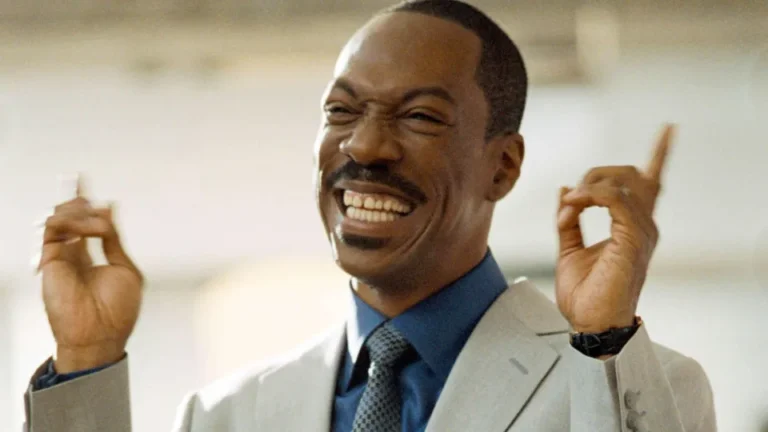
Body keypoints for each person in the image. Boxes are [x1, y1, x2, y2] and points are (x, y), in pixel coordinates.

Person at [24, 1, 716, 431]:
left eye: (419, 116)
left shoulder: (634, 382)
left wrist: (602, 340)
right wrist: (86, 363)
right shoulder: (229, 415)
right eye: (341, 110)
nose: (364, 146)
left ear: (502, 166)